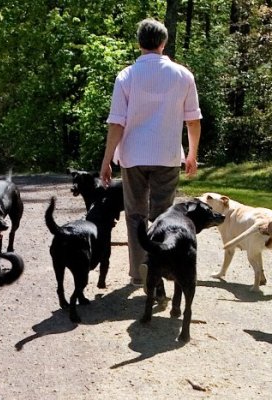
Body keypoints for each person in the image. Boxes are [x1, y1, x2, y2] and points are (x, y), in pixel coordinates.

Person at [99, 18, 202, 286]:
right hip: (167, 156)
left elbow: (116, 122)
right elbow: (193, 120)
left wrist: (107, 159)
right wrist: (191, 154)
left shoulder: (127, 76)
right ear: (163, 43)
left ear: (139, 43)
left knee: (135, 214)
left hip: (132, 156)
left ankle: (137, 272)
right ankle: (157, 268)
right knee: (163, 215)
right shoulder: (183, 75)